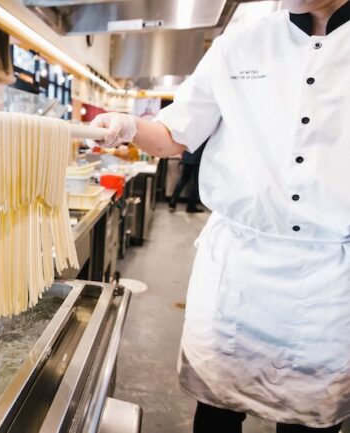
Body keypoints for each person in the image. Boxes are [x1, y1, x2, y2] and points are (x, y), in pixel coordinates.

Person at [90, 1, 350, 432]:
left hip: (329, 281)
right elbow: (175, 133)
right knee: (215, 413)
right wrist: (131, 126)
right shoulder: (242, 43)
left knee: (309, 422)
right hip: (239, 272)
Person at [168, 143, 206, 213]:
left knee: (183, 179)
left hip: (187, 156)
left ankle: (173, 201)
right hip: (198, 158)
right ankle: (191, 206)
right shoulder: (206, 132)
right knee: (196, 183)